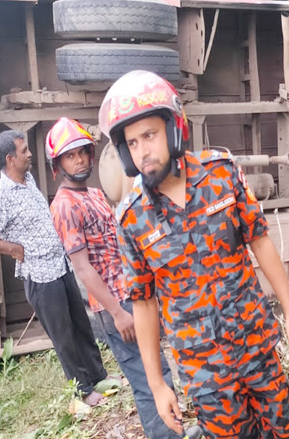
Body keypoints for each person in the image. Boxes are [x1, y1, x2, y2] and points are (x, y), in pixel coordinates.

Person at [98, 70, 289, 438]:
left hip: (256, 345)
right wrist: (158, 385)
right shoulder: (132, 218)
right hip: (204, 369)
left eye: (149, 135)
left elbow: (259, 241)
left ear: (174, 128)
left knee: (284, 433)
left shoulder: (221, 174)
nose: (143, 151)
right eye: (132, 144)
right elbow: (144, 303)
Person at [46, 118, 183, 439]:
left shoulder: (93, 193)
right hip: (115, 305)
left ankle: (173, 431)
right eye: (70, 156)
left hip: (131, 293)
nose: (78, 160)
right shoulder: (64, 207)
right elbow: (82, 268)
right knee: (147, 377)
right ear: (58, 164)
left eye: (82, 152)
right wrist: (118, 313)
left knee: (158, 369)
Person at [0, 130, 109, 407]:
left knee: (80, 324)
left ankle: (99, 376)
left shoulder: (28, 179)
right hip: (40, 276)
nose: (30, 154)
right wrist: (12, 249)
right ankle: (84, 390)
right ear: (10, 159)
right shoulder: (1, 196)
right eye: (24, 151)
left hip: (60, 265)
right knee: (63, 335)